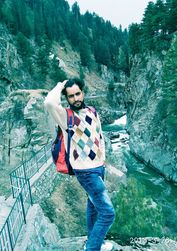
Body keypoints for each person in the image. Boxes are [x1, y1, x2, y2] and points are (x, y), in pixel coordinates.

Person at [44, 78, 115, 251]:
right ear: (66, 99)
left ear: (82, 93)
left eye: (77, 94)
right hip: (85, 171)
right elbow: (48, 102)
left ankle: (93, 241)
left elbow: (99, 136)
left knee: (93, 206)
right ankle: (93, 247)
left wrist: (103, 159)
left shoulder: (92, 111)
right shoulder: (66, 116)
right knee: (107, 213)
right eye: (71, 96)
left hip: (99, 167)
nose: (75, 98)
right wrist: (61, 84)